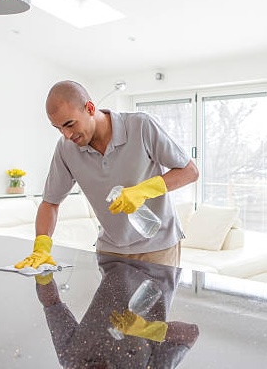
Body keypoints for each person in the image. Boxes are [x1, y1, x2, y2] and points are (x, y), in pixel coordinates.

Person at [15, 80, 199, 269]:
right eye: (59, 128)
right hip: (110, 250)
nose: (67, 135)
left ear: (90, 108)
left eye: (69, 124)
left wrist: (143, 191)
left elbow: (190, 172)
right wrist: (41, 247)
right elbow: (50, 202)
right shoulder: (65, 148)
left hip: (158, 246)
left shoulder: (141, 125)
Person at [35, 253, 199, 368]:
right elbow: (190, 334)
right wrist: (147, 330)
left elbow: (51, 302)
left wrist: (42, 273)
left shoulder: (70, 357)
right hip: (160, 264)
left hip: (112, 255)